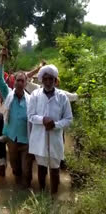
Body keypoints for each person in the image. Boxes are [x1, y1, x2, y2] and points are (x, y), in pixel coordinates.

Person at [28, 65, 73, 194]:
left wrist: (56, 124)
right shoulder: (35, 95)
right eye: (45, 79)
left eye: (51, 79)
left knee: (55, 169)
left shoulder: (62, 97)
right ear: (41, 80)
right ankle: (42, 195)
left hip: (55, 139)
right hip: (39, 138)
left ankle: (53, 197)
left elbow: (69, 119)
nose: (48, 82)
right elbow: (30, 116)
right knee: (41, 168)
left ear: (55, 80)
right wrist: (43, 120)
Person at [0, 48, 34, 188]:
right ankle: (18, 190)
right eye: (17, 80)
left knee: (27, 169)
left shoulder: (32, 100)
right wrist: (2, 59)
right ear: (15, 82)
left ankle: (26, 192)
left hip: (26, 141)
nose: (19, 83)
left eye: (22, 81)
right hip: (12, 139)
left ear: (25, 83)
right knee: (16, 169)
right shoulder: (8, 96)